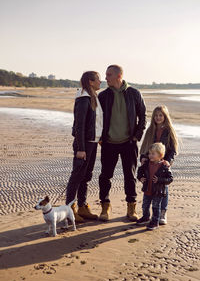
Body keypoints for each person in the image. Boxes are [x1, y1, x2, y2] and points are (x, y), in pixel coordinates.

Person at [98, 64, 146, 221]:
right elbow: (97, 119)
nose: (106, 78)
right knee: (105, 176)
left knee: (129, 176)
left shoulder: (134, 93)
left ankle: (131, 207)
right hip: (108, 143)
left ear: (119, 76)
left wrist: (136, 136)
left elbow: (143, 116)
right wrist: (100, 137)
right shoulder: (103, 96)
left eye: (109, 75)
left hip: (128, 143)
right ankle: (105, 207)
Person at [66, 71, 103, 222]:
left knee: (86, 176)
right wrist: (81, 148)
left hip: (92, 142)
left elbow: (95, 122)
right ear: (91, 81)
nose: (101, 82)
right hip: (84, 144)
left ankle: (82, 206)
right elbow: (80, 125)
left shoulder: (92, 96)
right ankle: (69, 210)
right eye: (98, 79)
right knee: (77, 176)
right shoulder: (83, 98)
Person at [140, 105, 178, 225]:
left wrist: (168, 160)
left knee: (163, 187)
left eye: (160, 115)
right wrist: (143, 158)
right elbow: (145, 147)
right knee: (151, 184)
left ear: (165, 116)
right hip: (151, 162)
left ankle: (162, 212)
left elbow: (173, 149)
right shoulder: (150, 130)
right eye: (156, 115)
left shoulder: (169, 130)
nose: (158, 117)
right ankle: (147, 214)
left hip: (163, 162)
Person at [137, 143, 173, 230]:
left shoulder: (164, 166)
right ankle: (146, 217)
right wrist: (140, 178)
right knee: (145, 205)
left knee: (156, 207)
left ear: (160, 155)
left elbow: (170, 179)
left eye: (153, 154)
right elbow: (139, 171)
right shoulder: (146, 164)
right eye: (149, 153)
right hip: (147, 189)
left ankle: (155, 222)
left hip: (158, 191)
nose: (150, 155)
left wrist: (159, 180)